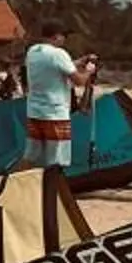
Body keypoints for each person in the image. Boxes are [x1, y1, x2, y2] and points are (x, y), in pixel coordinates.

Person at [22, 19, 95, 171]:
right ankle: (52, 192)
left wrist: (79, 62)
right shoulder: (59, 54)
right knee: (56, 161)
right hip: (55, 114)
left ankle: (17, 188)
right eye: (63, 36)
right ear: (56, 36)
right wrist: (89, 70)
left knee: (31, 157)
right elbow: (80, 81)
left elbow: (53, 66)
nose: (65, 39)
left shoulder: (33, 51)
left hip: (35, 113)